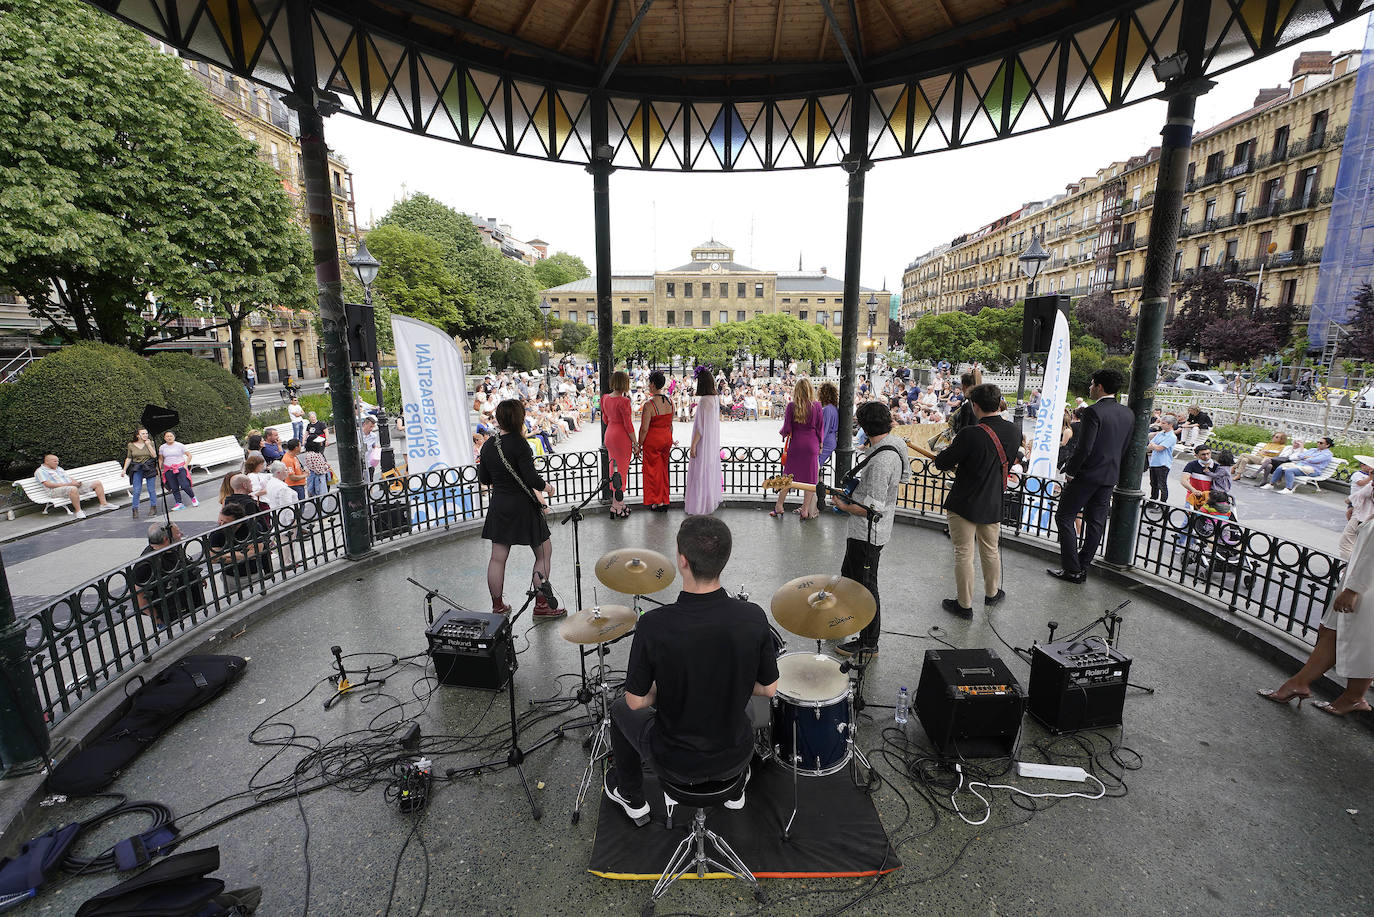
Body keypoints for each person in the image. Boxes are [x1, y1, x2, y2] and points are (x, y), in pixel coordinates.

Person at [603, 516, 780, 826]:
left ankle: (632, 797)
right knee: (743, 711)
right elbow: (768, 689)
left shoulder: (654, 625)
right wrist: (728, 683)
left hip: (676, 764)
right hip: (733, 757)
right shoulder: (753, 617)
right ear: (724, 559)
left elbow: (635, 701)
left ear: (682, 560)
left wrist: (670, 688)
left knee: (618, 709)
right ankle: (735, 791)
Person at [1258, 518, 1374, 716]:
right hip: (1361, 586)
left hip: (1365, 590)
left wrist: (1353, 589)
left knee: (1357, 640)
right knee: (1334, 633)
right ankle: (1306, 685)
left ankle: (1351, 697)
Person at [932, 383, 1020, 618]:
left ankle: (964, 605)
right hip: (992, 500)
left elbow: (942, 462)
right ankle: (992, 593)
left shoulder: (970, 434)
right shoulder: (1014, 431)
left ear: (975, 405)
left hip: (964, 501)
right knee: (990, 550)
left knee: (963, 552)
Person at [830, 402, 911, 657]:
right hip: (869, 531)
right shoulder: (895, 444)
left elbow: (872, 509)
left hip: (867, 533)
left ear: (864, 427)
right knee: (849, 577)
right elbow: (902, 478)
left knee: (866, 586)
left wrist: (844, 506)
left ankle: (869, 642)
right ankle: (848, 619)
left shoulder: (881, 461)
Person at [1048, 369, 1133, 584]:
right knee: (1095, 522)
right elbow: (1124, 447)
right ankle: (1082, 566)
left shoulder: (1093, 412)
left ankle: (1072, 568)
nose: (1090, 387)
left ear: (1100, 387)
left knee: (1064, 516)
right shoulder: (1128, 413)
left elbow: (1084, 448)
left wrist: (1070, 472)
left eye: (1092, 383)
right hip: (1109, 475)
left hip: (1087, 475)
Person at [477, 400, 562, 617]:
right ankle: (541, 605)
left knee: (497, 557)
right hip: (523, 505)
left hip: (499, 505)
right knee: (543, 552)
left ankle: (498, 606)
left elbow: (484, 478)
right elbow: (531, 478)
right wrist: (548, 488)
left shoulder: (488, 445)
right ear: (519, 418)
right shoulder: (520, 444)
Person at [133, 522, 204, 629]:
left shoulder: (173, 548)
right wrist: (158, 619)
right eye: (178, 533)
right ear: (166, 539)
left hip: (191, 607)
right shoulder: (146, 563)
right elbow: (139, 596)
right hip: (172, 618)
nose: (181, 534)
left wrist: (196, 577)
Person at [772, 378, 824, 520]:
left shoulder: (791, 406)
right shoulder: (817, 406)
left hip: (796, 444)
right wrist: (820, 444)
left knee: (788, 476)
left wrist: (784, 434)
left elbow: (787, 428)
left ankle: (779, 505)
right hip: (811, 444)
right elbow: (820, 427)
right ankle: (805, 510)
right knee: (810, 478)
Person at [209, 501, 272, 590]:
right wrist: (243, 555)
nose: (221, 524)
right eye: (221, 520)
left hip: (254, 575)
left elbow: (256, 552)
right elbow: (213, 558)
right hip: (230, 577)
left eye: (226, 522)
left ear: (239, 523)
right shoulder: (216, 533)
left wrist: (226, 555)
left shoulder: (252, 527)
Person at [636, 370, 674, 512]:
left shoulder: (649, 405)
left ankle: (658, 502)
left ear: (652, 384)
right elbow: (670, 424)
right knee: (663, 470)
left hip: (653, 441)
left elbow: (644, 429)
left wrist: (639, 444)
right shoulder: (670, 401)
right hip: (666, 438)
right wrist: (670, 438)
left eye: (649, 383)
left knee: (653, 472)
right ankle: (664, 499)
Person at [34, 454, 115, 518]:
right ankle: (78, 511)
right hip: (54, 491)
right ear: (47, 461)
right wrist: (70, 484)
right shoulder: (41, 471)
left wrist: (76, 482)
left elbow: (68, 478)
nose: (57, 463)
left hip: (69, 487)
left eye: (57, 461)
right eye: (54, 461)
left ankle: (104, 504)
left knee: (97, 483)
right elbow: (48, 484)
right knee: (72, 488)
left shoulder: (58, 468)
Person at [602, 371, 635, 519]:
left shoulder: (605, 398)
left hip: (609, 434)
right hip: (621, 437)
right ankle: (617, 505)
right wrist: (635, 442)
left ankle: (617, 504)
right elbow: (628, 425)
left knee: (614, 470)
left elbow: (605, 419)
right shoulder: (624, 401)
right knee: (621, 472)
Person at [1262, 436, 1335, 493]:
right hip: (1301, 465)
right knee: (1280, 467)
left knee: (1289, 470)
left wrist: (1308, 458)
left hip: (1313, 469)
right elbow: (1300, 455)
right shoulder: (1313, 450)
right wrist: (1308, 457)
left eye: (1321, 443)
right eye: (1318, 442)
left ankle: (1288, 489)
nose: (1318, 444)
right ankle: (1271, 484)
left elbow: (1314, 460)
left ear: (1327, 445)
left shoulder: (1327, 454)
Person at [1340, 455, 1374, 559]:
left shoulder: (1371, 485)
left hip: (1363, 516)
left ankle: (1348, 565)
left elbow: (1358, 495)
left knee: (1346, 542)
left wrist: (1349, 501)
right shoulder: (1360, 476)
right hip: (1366, 516)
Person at [123, 428, 159, 519]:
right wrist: (124, 470)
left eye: (146, 433)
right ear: (138, 435)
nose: (145, 435)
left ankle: (153, 507)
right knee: (137, 490)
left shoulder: (151, 443)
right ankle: (135, 509)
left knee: (151, 489)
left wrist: (148, 445)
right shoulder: (131, 445)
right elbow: (129, 458)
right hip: (137, 467)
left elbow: (154, 455)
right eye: (143, 433)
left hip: (149, 467)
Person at [158, 431, 197, 510]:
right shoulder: (162, 447)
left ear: (174, 437)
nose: (169, 438)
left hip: (180, 468)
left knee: (185, 485)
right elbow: (160, 459)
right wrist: (158, 469)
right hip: (169, 469)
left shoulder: (180, 445)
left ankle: (193, 498)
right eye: (167, 436)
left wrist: (185, 465)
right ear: (164, 438)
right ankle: (179, 503)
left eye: (171, 436)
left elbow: (189, 455)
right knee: (174, 487)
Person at [1146, 417, 1176, 502]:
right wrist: (1154, 445)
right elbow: (1150, 445)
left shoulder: (1172, 437)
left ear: (1170, 425)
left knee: (1162, 484)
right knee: (1153, 483)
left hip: (1163, 463)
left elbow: (1160, 448)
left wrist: (1154, 445)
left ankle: (1163, 503)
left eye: (1163, 423)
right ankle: (1153, 500)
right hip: (1154, 462)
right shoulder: (1160, 433)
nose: (1161, 425)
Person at [358, 417, 380, 483]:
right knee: (360, 481)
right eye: (370, 426)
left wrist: (377, 449)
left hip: (369, 462)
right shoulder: (357, 435)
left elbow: (374, 445)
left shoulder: (373, 436)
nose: (371, 429)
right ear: (364, 424)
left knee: (370, 480)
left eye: (373, 427)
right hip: (359, 461)